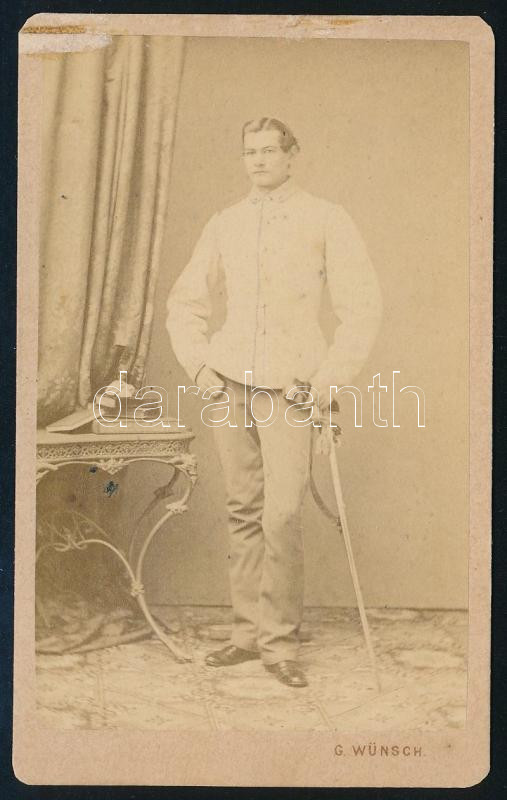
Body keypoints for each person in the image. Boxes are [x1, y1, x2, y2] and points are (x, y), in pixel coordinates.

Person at [166, 117, 382, 687]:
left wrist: (327, 381)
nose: (258, 160)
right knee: (242, 507)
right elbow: (185, 302)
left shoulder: (326, 218)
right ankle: (246, 635)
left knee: (281, 515)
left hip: (292, 387)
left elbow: (362, 308)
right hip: (230, 383)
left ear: (292, 155)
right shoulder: (225, 223)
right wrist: (200, 367)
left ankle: (280, 644)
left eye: (268, 150)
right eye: (250, 152)